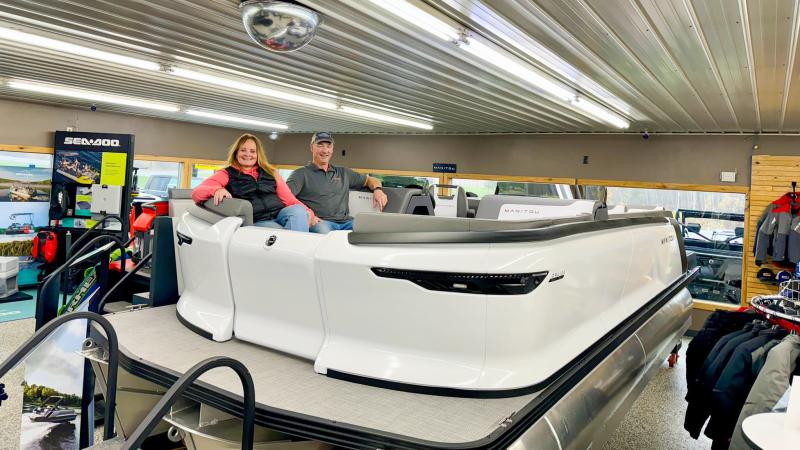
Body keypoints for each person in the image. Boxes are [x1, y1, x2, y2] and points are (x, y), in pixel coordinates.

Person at [192, 133, 316, 232]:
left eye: (252, 151)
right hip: (258, 220)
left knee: (299, 210)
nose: (247, 154)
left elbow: (290, 200)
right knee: (279, 232)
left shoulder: (271, 172)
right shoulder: (226, 174)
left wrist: (308, 211)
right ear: (236, 153)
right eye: (243, 150)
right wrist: (216, 189)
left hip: (279, 214)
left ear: (258, 154)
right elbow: (197, 193)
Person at [287, 132, 388, 233]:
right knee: (323, 231)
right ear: (311, 147)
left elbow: (370, 180)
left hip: (346, 222)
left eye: (328, 146)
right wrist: (307, 214)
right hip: (321, 222)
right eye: (320, 145)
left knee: (370, 229)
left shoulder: (343, 172)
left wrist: (378, 190)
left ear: (332, 149)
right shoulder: (300, 174)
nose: (325, 150)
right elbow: (285, 198)